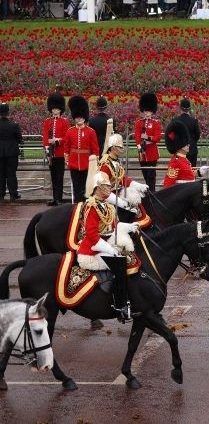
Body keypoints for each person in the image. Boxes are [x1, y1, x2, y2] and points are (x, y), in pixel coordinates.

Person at [76, 165, 136, 322]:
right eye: (106, 186)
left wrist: (130, 227)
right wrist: (110, 249)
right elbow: (91, 235)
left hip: (102, 245)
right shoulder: (92, 206)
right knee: (119, 263)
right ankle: (120, 306)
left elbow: (113, 227)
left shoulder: (107, 206)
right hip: (91, 250)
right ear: (97, 188)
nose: (110, 187)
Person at [63, 95, 100, 203]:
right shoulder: (70, 131)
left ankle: (86, 204)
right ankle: (77, 205)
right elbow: (67, 147)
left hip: (86, 163)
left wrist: (95, 162)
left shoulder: (90, 131)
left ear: (84, 118)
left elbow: (95, 148)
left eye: (81, 117)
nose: (79, 119)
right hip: (74, 162)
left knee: (86, 186)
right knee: (76, 186)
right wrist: (67, 160)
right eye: (77, 117)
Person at [43, 93, 69, 206]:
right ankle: (54, 198)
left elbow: (66, 137)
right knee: (53, 177)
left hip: (59, 153)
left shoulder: (64, 122)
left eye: (57, 109)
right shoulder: (47, 121)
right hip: (50, 154)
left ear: (60, 110)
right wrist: (47, 146)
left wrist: (57, 141)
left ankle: (59, 198)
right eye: (53, 109)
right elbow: (44, 135)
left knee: (59, 176)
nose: (55, 111)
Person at [134, 93, 162, 193]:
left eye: (149, 111)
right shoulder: (138, 123)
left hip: (152, 153)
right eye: (145, 111)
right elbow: (137, 136)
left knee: (151, 175)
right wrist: (139, 146)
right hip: (142, 152)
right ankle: (148, 192)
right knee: (145, 175)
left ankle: (152, 193)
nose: (147, 113)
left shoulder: (155, 123)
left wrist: (148, 137)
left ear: (152, 111)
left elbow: (158, 137)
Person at [0, 103, 22, 201]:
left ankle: (1, 194)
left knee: (0, 174)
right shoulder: (14, 125)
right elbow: (19, 139)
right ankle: (13, 194)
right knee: (11, 174)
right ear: (8, 113)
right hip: (12, 152)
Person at [174, 98, 201, 167]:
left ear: (180, 108)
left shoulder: (175, 120)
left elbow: (172, 135)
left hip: (179, 149)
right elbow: (197, 135)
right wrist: (192, 141)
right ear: (189, 109)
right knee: (192, 171)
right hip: (192, 149)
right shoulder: (194, 120)